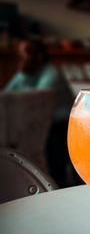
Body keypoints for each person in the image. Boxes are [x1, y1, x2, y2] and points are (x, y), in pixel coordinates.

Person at [3, 39, 77, 187]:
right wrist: (23, 73)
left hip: (61, 122)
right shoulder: (25, 72)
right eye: (21, 55)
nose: (22, 59)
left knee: (56, 156)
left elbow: (38, 100)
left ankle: (60, 183)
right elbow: (6, 95)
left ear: (39, 56)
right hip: (39, 121)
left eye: (27, 54)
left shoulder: (52, 74)